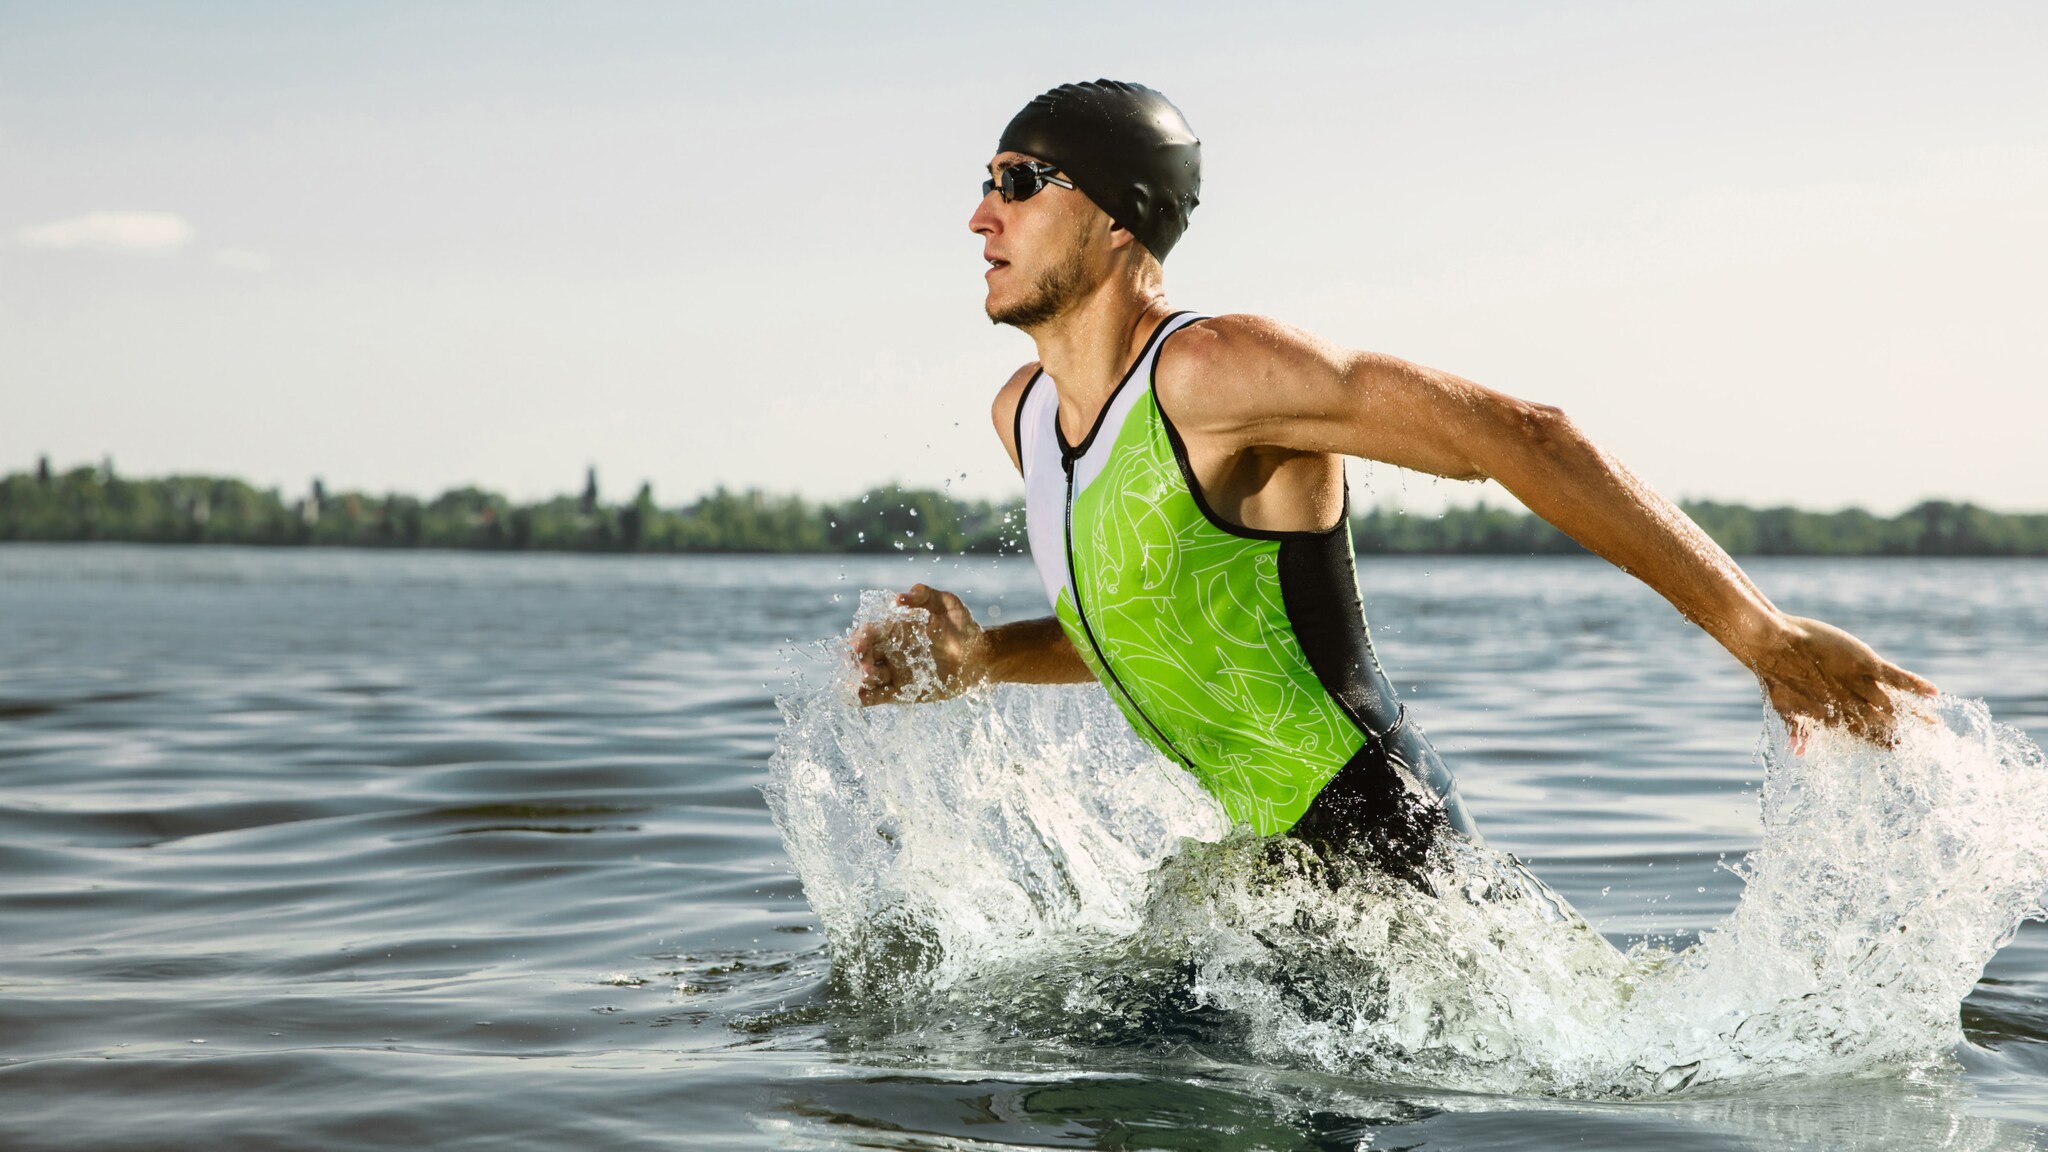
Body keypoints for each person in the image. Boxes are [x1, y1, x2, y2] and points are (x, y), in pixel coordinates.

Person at [854, 79, 1935, 871]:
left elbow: (1521, 433)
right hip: (1274, 876)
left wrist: (1761, 636)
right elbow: (1161, 626)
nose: (981, 214)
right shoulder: (1028, 418)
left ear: (1116, 215)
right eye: (984, 185)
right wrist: (981, 658)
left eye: (1018, 183)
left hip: (1385, 859)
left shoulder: (1211, 370)